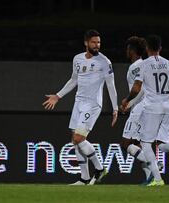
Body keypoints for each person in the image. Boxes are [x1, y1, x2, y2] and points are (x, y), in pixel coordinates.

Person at [43, 29, 118, 185]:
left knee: (79, 138)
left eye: (98, 42)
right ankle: (84, 178)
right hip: (79, 103)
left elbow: (111, 86)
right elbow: (73, 80)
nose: (97, 45)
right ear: (86, 43)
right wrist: (58, 96)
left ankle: (99, 168)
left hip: (92, 104)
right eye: (93, 42)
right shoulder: (77, 59)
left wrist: (115, 108)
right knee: (75, 141)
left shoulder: (105, 62)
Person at [121, 35, 169, 186]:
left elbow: (137, 88)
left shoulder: (143, 65)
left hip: (150, 107)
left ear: (147, 49)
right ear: (160, 48)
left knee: (144, 144)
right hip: (167, 107)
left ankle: (157, 176)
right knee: (160, 143)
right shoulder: (168, 63)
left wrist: (126, 101)